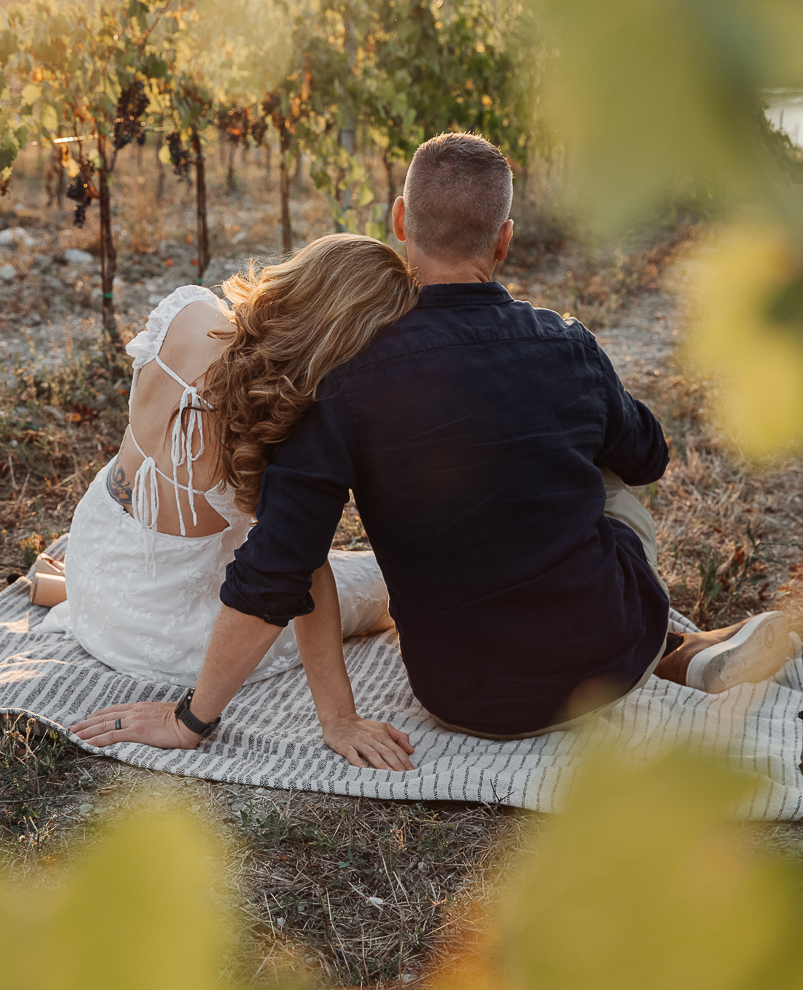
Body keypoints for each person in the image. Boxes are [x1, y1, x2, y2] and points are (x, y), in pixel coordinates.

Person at [74, 133, 794, 754]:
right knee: (605, 461)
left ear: (399, 221)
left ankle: (687, 654)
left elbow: (278, 570)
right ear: (504, 239)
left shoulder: (340, 383)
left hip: (463, 698)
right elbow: (650, 460)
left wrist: (192, 720)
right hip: (608, 662)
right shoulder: (567, 344)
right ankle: (669, 647)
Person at [54, 235, 419, 769]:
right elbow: (298, 571)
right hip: (155, 628)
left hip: (93, 559)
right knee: (385, 582)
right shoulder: (246, 429)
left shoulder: (191, 311)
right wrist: (339, 719)